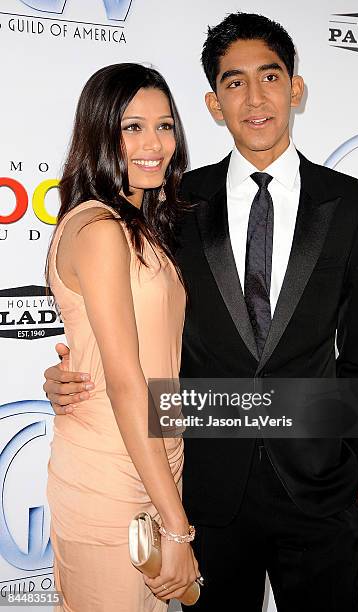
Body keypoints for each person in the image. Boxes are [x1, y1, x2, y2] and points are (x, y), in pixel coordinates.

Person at [44, 14, 358, 612]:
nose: (255, 99)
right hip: (204, 487)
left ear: (295, 89)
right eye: (234, 83)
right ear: (212, 102)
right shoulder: (172, 208)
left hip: (318, 489)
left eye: (270, 77)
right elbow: (133, 328)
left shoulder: (351, 201)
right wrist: (73, 378)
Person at [45, 63, 199, 612]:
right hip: (113, 479)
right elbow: (126, 382)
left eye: (164, 126)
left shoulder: (141, 225)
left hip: (156, 465)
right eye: (132, 127)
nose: (153, 143)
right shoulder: (101, 229)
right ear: (100, 131)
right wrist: (178, 530)